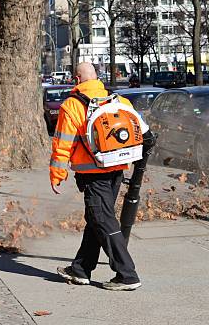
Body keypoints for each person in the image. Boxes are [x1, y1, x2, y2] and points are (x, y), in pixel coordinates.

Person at [50, 62, 143, 291]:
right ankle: (80, 269)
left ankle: (127, 274)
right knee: (96, 218)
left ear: (76, 79)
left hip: (92, 174)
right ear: (97, 77)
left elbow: (63, 144)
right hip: (117, 168)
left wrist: (57, 173)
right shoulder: (118, 100)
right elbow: (141, 130)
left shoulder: (72, 106)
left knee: (102, 220)